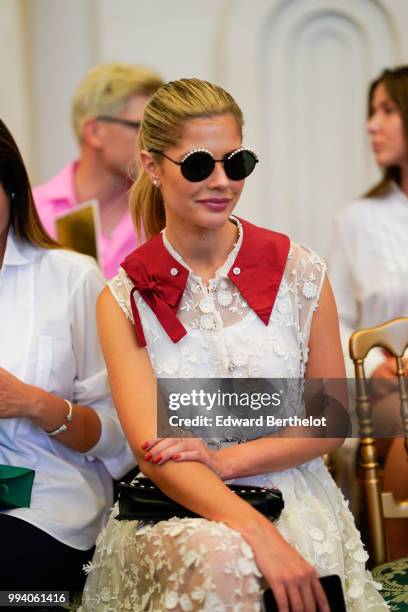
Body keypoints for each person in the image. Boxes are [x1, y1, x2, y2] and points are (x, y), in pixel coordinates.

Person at [80, 79, 387, 611]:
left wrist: (225, 461)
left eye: (236, 162)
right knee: (221, 555)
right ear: (153, 167)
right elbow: (154, 454)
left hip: (294, 495)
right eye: (199, 165)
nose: (221, 182)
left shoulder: (300, 271)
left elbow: (329, 421)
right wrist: (257, 533)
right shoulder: (124, 296)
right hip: (175, 505)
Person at [0, 119, 135, 591]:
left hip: (50, 506)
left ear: (10, 188)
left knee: (12, 576)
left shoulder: (71, 279)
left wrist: (33, 404)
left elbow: (122, 433)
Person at [329, 66, 408, 560]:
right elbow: (331, 320)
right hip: (383, 387)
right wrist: (374, 358)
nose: (371, 125)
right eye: (371, 112)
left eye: (388, 110)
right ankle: (397, 574)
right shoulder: (357, 220)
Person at [33, 62, 163, 278]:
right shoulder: (32, 213)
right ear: (94, 132)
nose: (154, 141)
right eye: (141, 127)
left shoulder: (161, 211)